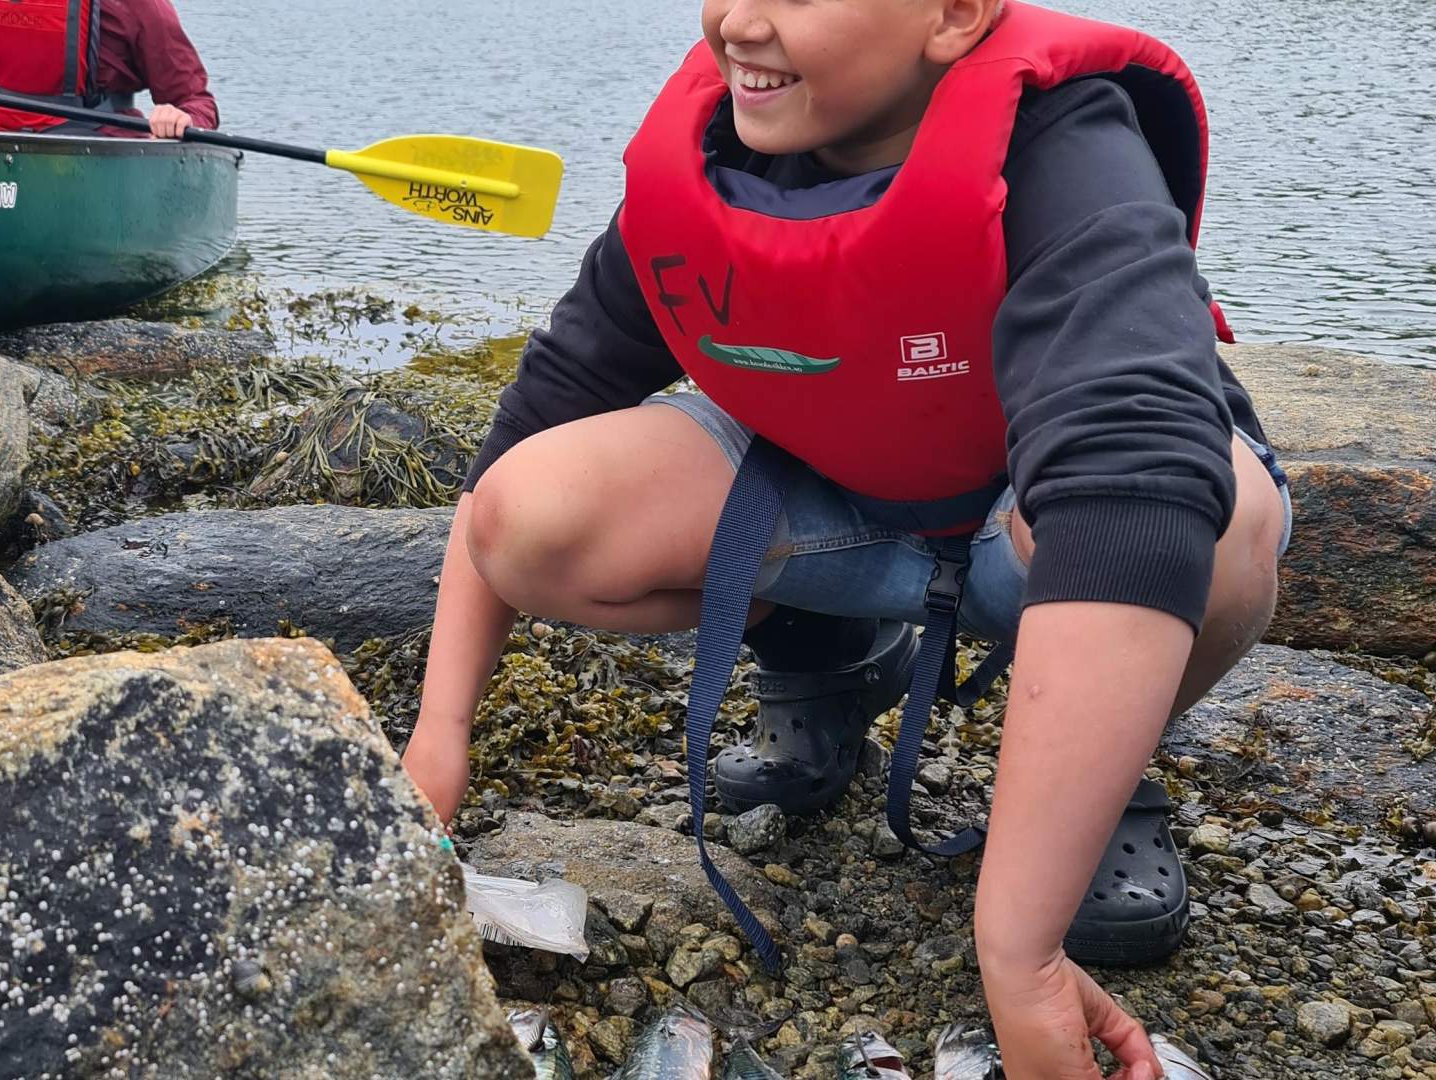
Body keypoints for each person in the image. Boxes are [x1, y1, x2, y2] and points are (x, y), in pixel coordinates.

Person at [397, 1, 1291, 1077]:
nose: (738, 21)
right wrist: (437, 737)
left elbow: (1134, 488)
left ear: (956, 15)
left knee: (1225, 525)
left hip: (1041, 527)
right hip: (841, 504)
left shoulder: (1066, 144)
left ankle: (1086, 787)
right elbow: (541, 417)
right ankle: (826, 663)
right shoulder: (717, 148)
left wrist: (1019, 953)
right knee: (529, 516)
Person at [0, 0, 217, 139]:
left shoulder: (136, 5)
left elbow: (198, 104)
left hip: (99, 160)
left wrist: (181, 119)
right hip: (1, 162)